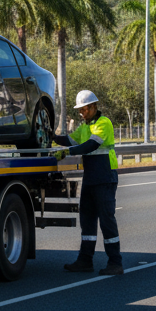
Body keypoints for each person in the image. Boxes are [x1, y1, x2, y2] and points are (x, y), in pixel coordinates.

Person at [53, 89, 123, 276]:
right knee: (87, 219)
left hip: (105, 177)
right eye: (80, 111)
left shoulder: (103, 123)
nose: (82, 113)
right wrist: (51, 136)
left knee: (106, 219)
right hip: (91, 178)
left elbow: (91, 145)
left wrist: (68, 152)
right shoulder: (84, 126)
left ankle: (115, 262)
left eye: (84, 110)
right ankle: (85, 260)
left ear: (93, 107)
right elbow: (69, 139)